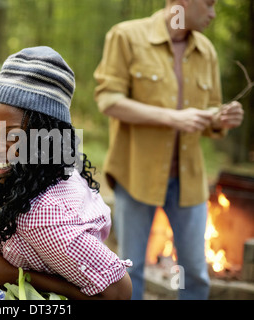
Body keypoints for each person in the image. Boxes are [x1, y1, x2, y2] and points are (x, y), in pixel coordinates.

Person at [0, 46, 132, 299]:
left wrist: (15, 275)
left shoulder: (43, 216)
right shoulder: (49, 174)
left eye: (14, 136)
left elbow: (119, 293)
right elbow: (53, 258)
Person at [93, 0, 244, 299]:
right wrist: (173, 118)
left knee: (194, 273)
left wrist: (222, 118)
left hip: (189, 182)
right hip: (136, 175)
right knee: (129, 270)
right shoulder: (125, 36)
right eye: (209, 4)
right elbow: (108, 101)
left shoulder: (206, 51)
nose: (214, 14)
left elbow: (210, 117)